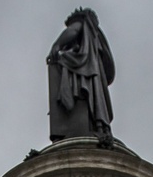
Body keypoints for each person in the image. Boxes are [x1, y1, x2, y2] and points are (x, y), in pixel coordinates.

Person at [47, 8, 115, 142]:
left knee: (64, 60)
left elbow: (72, 31)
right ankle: (99, 125)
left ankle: (80, 123)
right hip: (92, 77)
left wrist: (56, 46)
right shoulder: (95, 39)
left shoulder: (83, 23)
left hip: (84, 73)